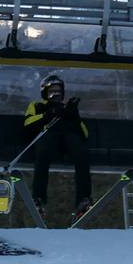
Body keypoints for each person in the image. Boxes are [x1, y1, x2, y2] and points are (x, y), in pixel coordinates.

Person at [23, 75, 93, 220]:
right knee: (43, 152)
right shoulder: (37, 105)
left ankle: (83, 199)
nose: (56, 94)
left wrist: (74, 116)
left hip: (68, 139)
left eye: (59, 91)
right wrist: (48, 114)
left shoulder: (67, 108)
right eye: (52, 91)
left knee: (81, 153)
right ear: (45, 93)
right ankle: (39, 198)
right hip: (48, 137)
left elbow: (85, 134)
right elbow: (28, 123)